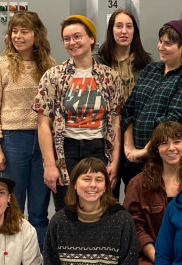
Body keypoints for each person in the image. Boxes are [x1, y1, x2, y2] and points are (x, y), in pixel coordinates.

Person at [0, 11, 55, 248]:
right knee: (13, 209)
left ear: (37, 35)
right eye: (14, 31)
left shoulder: (49, 65)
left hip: (44, 141)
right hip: (13, 141)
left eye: (24, 31)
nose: (18, 36)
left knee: (39, 213)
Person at [34, 15, 125, 209]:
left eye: (77, 36)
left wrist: (115, 162)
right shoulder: (53, 76)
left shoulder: (110, 77)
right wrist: (50, 165)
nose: (72, 43)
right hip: (66, 149)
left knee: (101, 207)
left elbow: (116, 123)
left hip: (99, 148)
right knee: (67, 208)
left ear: (91, 38)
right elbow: (43, 123)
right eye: (67, 39)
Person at [121, 20, 182, 184]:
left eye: (168, 43)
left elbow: (174, 121)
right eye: (160, 41)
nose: (160, 47)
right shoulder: (151, 70)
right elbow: (129, 109)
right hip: (134, 160)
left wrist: (145, 151)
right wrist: (129, 147)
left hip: (166, 162)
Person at [124, 121, 182, 265]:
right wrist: (158, 256)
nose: (171, 148)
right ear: (155, 149)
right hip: (151, 256)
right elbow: (134, 226)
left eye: (177, 141)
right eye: (164, 143)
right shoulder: (138, 184)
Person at [95, 9, 153, 103]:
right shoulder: (98, 62)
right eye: (119, 26)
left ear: (134, 31)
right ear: (111, 30)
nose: (124, 31)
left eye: (129, 26)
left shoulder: (147, 63)